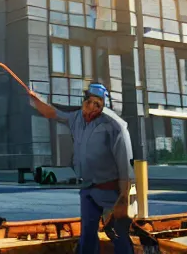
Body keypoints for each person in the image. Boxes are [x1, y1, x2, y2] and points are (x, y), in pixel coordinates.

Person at [29, 82, 134, 254]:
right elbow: (52, 113)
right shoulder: (76, 118)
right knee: (87, 235)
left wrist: (124, 198)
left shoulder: (116, 126)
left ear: (103, 105)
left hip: (110, 190)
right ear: (83, 101)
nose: (92, 107)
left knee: (117, 233)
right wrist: (35, 99)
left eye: (97, 104)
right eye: (89, 102)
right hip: (87, 189)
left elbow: (125, 165)